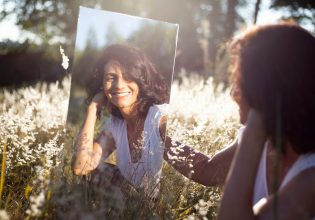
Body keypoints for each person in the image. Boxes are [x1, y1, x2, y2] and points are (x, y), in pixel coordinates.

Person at [218, 23, 315, 220]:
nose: (233, 94)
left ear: (266, 90)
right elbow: (206, 170)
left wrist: (255, 126)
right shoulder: (268, 144)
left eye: (240, 83)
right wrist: (163, 139)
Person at [72, 44, 169, 197]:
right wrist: (93, 108)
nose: (119, 85)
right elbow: (81, 167)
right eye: (111, 78)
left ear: (141, 80)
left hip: (162, 210)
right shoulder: (115, 125)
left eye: (128, 76)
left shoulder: (161, 118)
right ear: (102, 85)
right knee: (95, 173)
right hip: (132, 207)